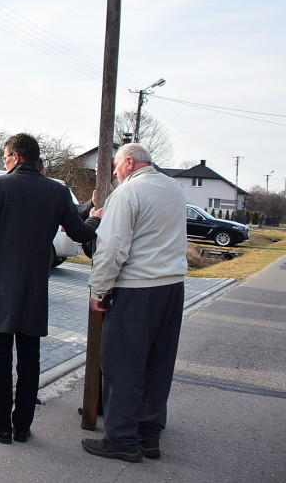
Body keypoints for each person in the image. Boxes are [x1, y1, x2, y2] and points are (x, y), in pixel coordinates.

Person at [0, 133, 100, 445]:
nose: (3, 162)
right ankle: (22, 426)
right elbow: (79, 232)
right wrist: (94, 218)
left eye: (4, 157)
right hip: (35, 288)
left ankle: (0, 422)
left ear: (15, 156)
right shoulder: (56, 191)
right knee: (30, 358)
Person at [81, 143, 188, 463]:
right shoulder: (174, 189)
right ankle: (149, 437)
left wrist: (98, 291)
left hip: (137, 288)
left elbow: (111, 249)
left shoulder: (127, 194)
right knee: (158, 362)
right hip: (172, 286)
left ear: (129, 162)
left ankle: (122, 439)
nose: (114, 173)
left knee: (121, 364)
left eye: (115, 166)